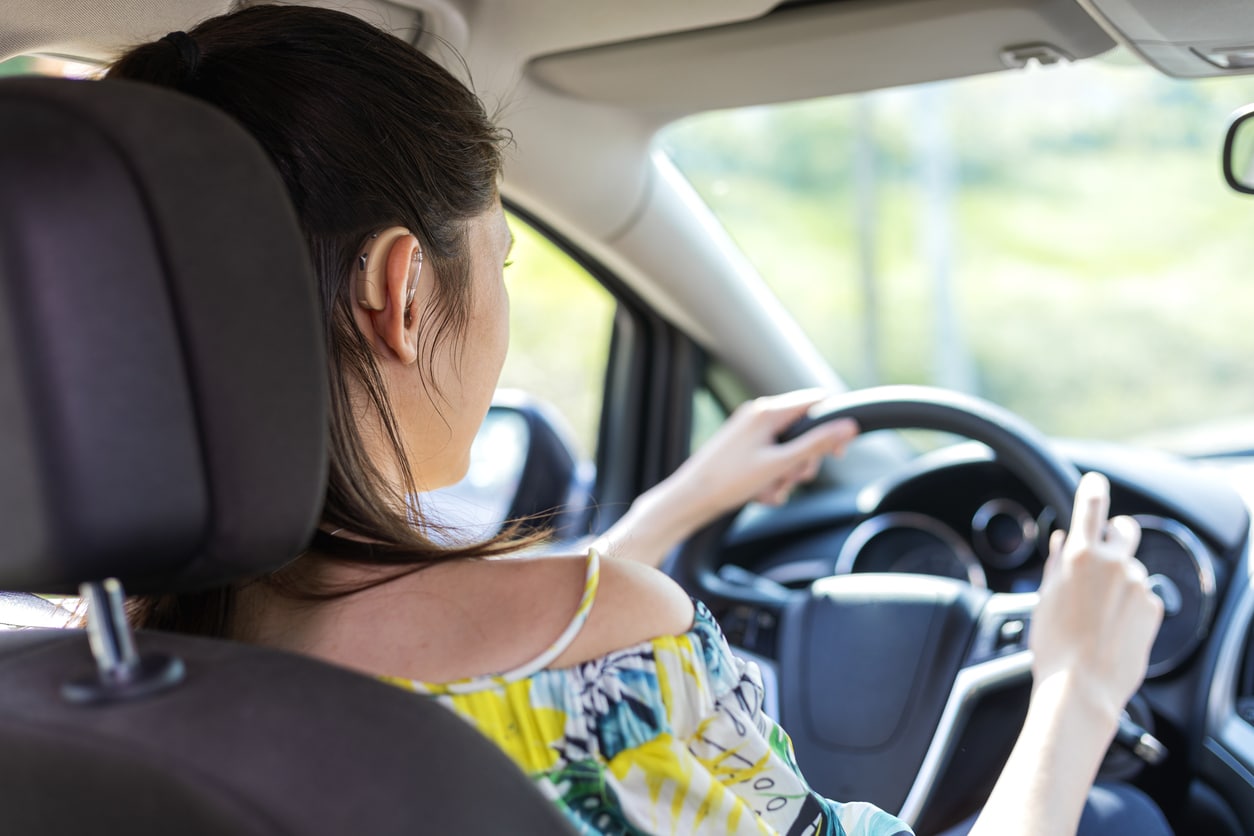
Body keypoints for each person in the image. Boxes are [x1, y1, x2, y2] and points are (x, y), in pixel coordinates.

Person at [108, 6, 1168, 835]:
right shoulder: (614, 627)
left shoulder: (89, 668)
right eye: (500, 260)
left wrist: (674, 509)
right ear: (404, 295)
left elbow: (502, 691)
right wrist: (1077, 683)